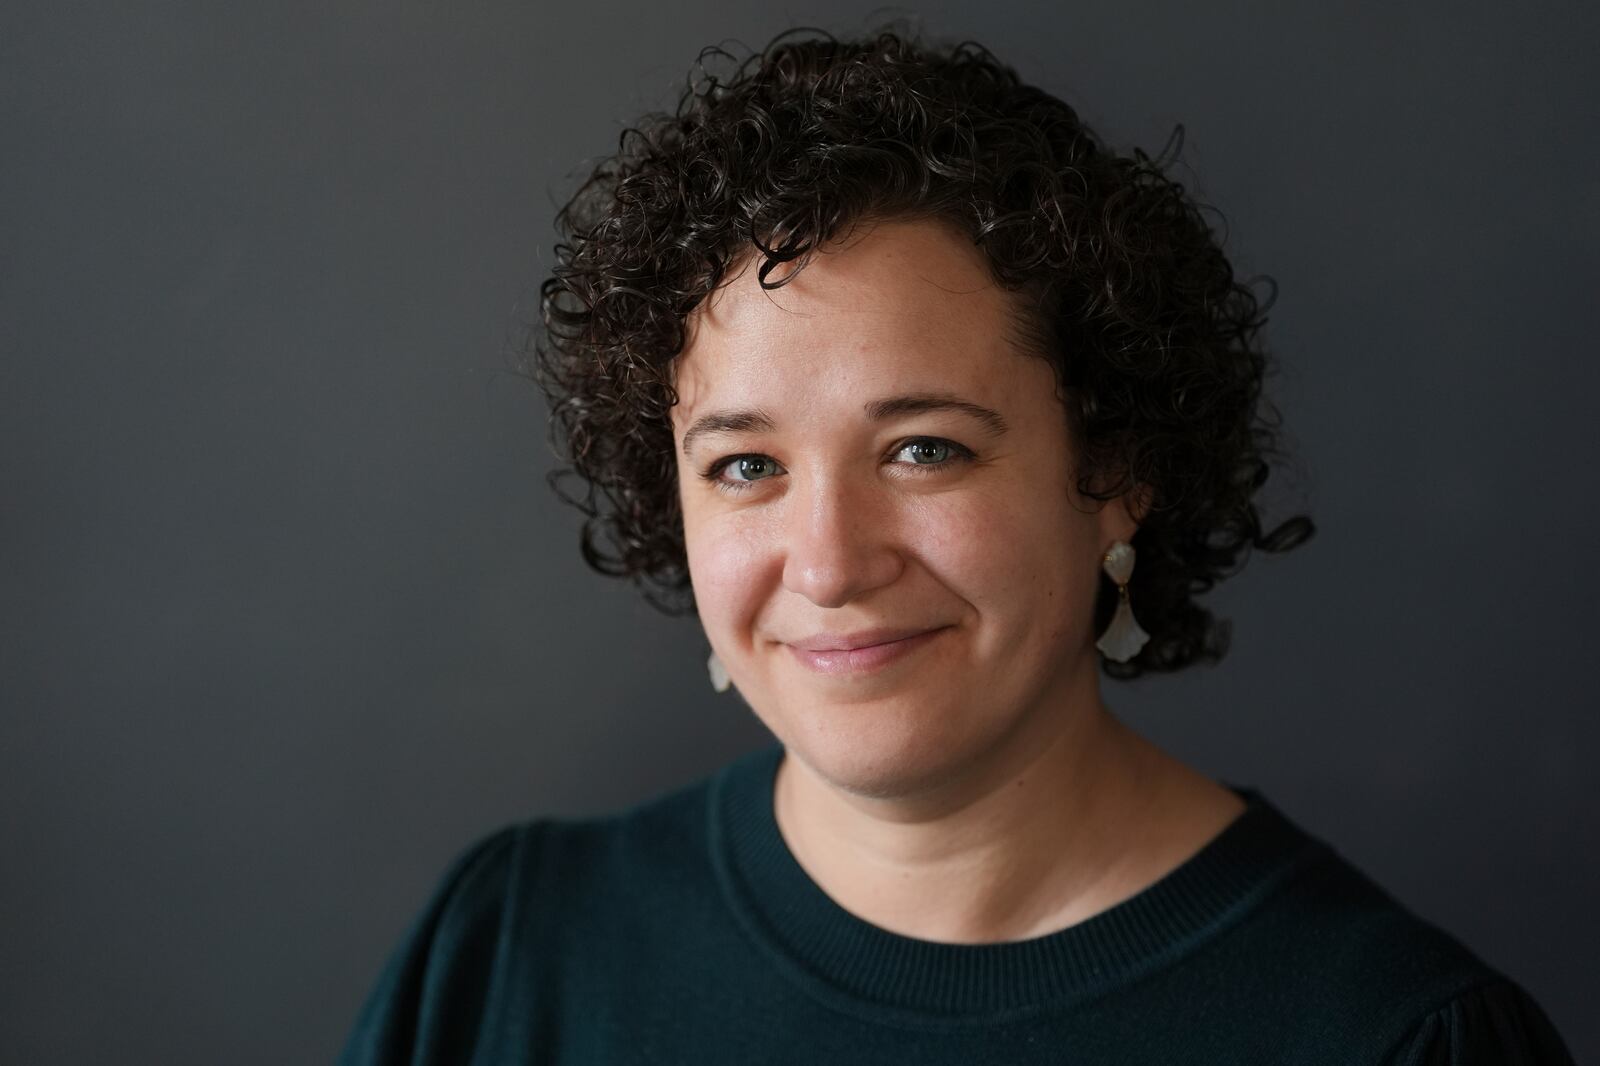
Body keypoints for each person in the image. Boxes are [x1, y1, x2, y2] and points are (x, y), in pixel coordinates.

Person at [337, 25, 1575, 1064]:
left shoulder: (1395, 1036)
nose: (826, 563)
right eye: (746, 466)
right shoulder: (507, 955)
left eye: (923, 449)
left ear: (1115, 473)